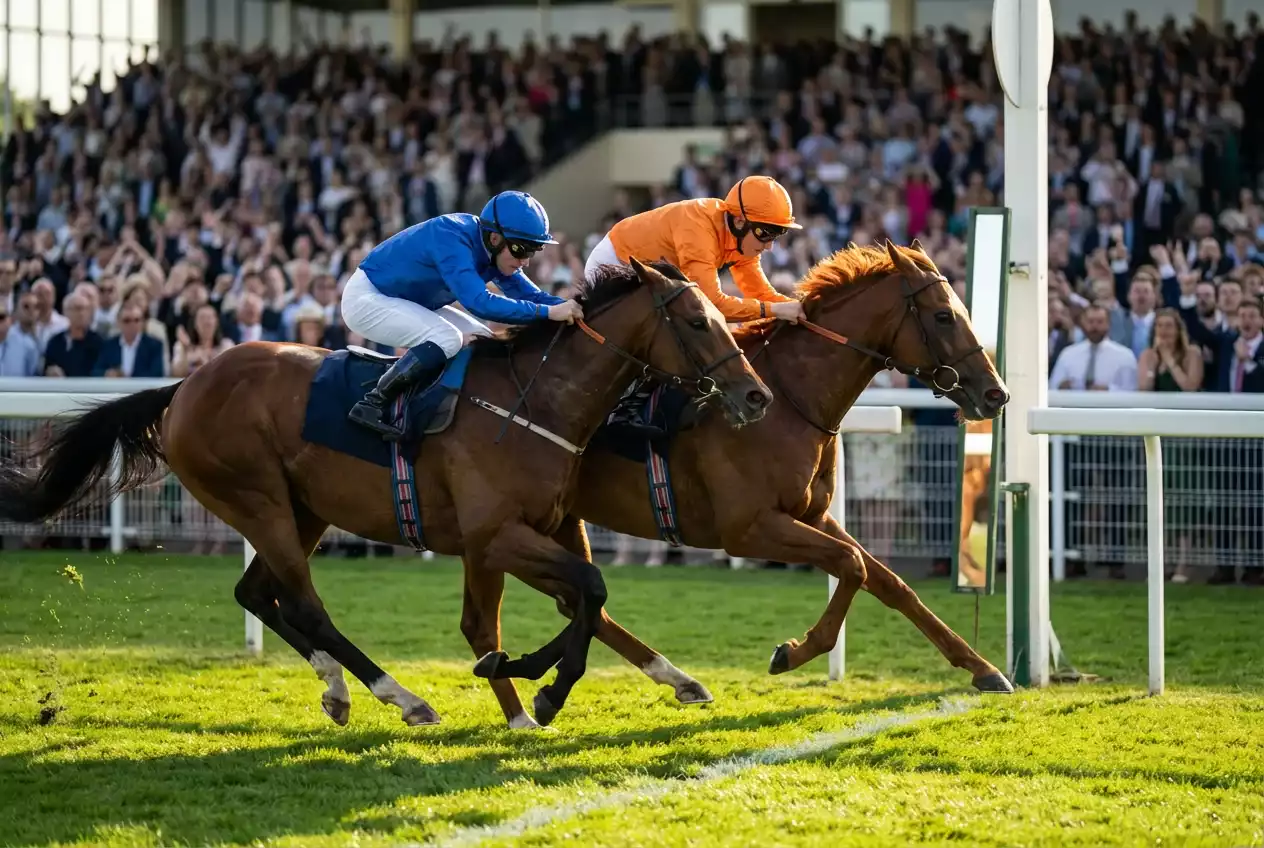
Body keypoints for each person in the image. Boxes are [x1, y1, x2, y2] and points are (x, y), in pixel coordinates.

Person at [341, 190, 583, 439]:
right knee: (448, 338)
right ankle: (372, 403)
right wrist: (548, 313)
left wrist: (579, 307)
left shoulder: (494, 250)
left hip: (404, 299)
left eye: (533, 251)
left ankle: (450, 407)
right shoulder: (452, 237)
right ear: (495, 238)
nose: (526, 262)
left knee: (482, 337)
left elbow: (534, 297)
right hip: (367, 298)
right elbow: (480, 303)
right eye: (522, 249)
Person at [585, 176, 808, 436]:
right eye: (765, 233)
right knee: (676, 335)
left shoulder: (740, 238)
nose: (769, 245)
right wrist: (776, 310)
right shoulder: (699, 230)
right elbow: (712, 304)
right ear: (738, 221)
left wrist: (801, 308)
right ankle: (620, 415)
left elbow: (760, 292)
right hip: (616, 265)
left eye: (777, 234)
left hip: (654, 275)